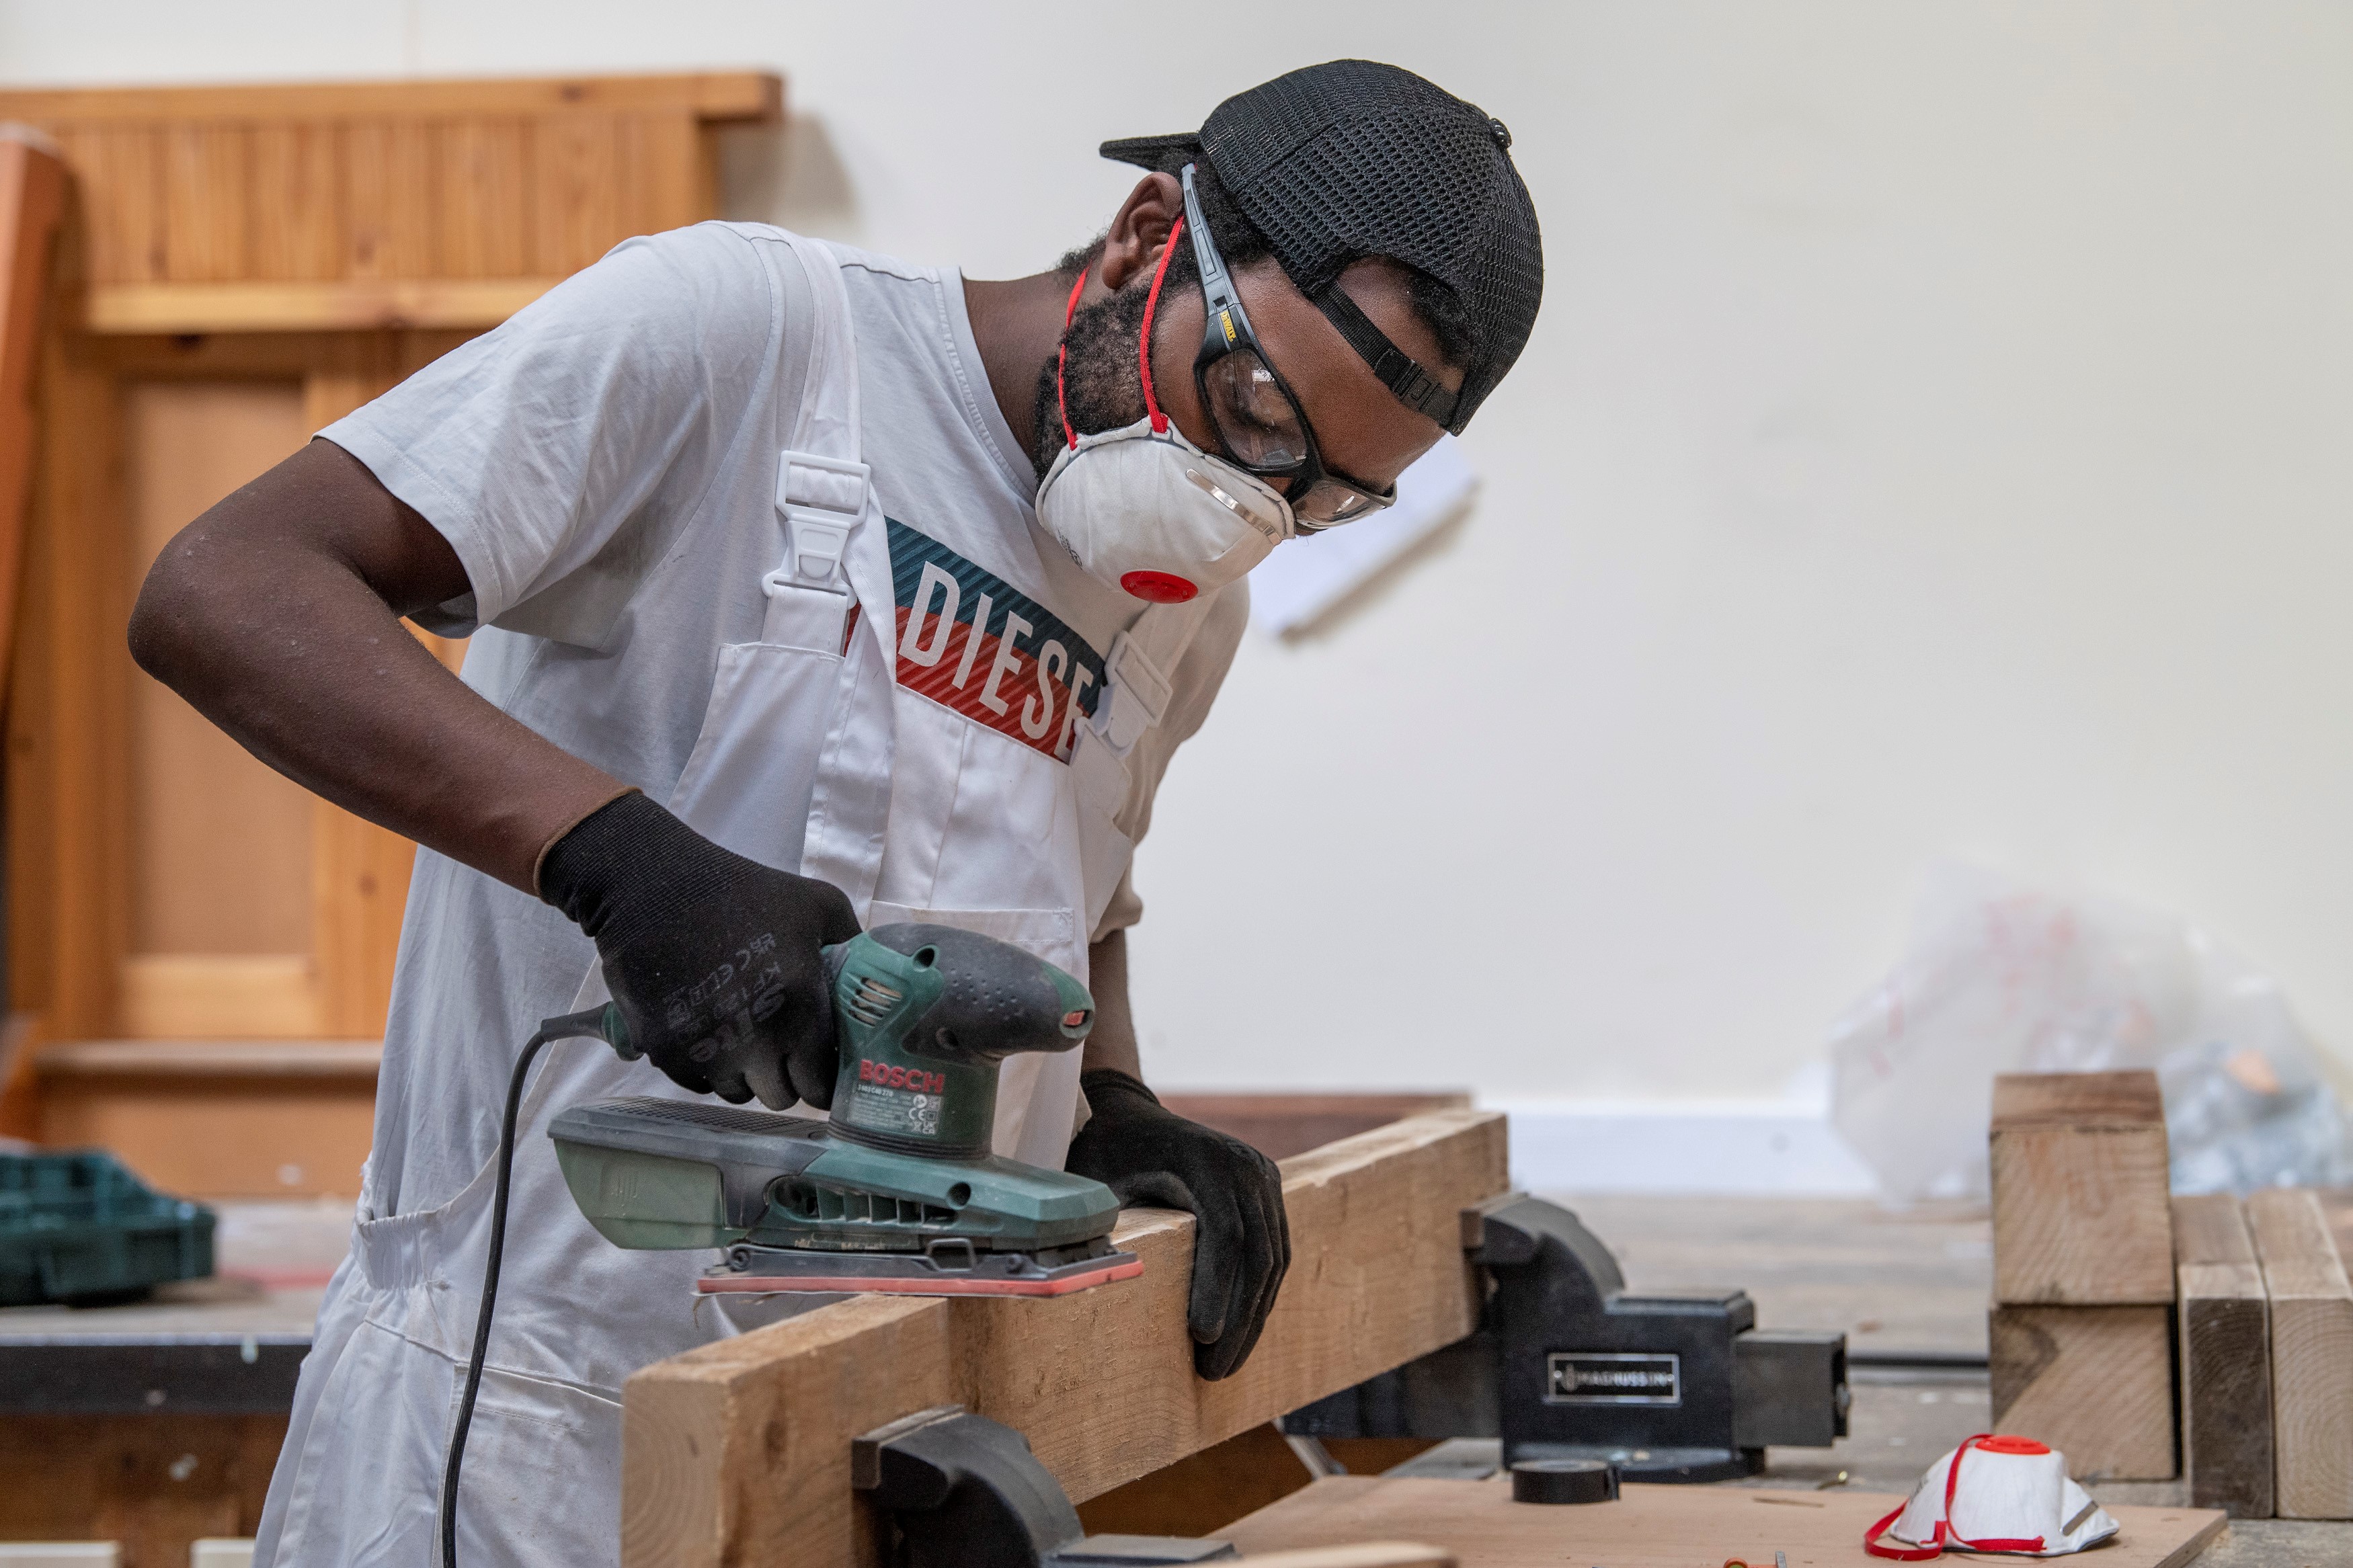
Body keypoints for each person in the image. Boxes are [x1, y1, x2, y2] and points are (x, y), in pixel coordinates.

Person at [129, 57, 1542, 1567]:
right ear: (1148, 238)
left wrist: (1113, 1107)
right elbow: (227, 588)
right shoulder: (746, 340)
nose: (1243, 500)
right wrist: (617, 862)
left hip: (881, 1451)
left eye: (1321, 495)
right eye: (1252, 408)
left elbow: (1081, 893)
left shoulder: (1183, 609)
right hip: (530, 1434)